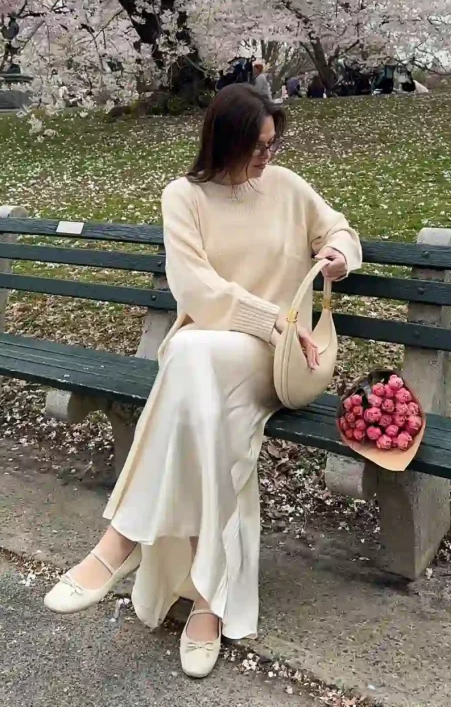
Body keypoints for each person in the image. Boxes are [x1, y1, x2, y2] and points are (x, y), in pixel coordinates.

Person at [44, 84, 362, 678]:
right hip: (225, 346)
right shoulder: (183, 198)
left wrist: (340, 254)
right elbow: (195, 289)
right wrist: (272, 320)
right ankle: (208, 602)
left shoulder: (288, 188)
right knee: (194, 371)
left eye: (273, 144)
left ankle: (121, 541)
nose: (267, 157)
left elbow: (339, 229)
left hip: (275, 363)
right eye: (256, 146)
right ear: (225, 140)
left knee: (187, 361)